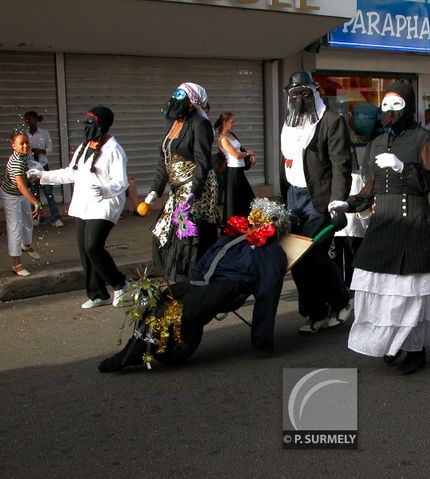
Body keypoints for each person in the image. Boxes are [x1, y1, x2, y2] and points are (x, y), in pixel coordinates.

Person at [329, 82, 430, 375]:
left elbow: (429, 182)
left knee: (410, 293)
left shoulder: (424, 138)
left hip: (411, 219)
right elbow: (369, 189)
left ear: (408, 105)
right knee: (380, 289)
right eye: (386, 105)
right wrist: (347, 204)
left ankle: (415, 351)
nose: (390, 111)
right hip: (383, 222)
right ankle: (391, 342)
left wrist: (401, 168)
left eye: (397, 105)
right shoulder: (376, 143)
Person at [97, 198, 290, 373]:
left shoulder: (271, 253)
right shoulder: (234, 237)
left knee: (184, 309)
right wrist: (193, 280)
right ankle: (134, 346)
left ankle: (133, 355)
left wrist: (262, 340)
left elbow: (268, 292)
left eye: (259, 220)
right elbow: (208, 257)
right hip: (203, 280)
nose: (253, 223)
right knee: (162, 298)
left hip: (229, 286)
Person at [28, 107, 130, 308]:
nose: (86, 127)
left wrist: (104, 189)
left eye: (91, 123)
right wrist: (42, 175)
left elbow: (121, 182)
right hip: (84, 204)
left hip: (104, 204)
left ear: (101, 125)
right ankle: (98, 294)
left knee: (93, 246)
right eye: (86, 123)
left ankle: (121, 284)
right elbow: (70, 173)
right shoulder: (85, 147)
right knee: (85, 250)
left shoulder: (114, 149)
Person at [279, 71, 353, 334]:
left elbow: (341, 164)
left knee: (312, 254)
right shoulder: (289, 123)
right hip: (293, 197)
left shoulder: (332, 121)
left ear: (315, 92)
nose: (299, 99)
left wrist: (338, 202)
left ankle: (342, 300)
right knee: (294, 258)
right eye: (294, 94)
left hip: (319, 198)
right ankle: (316, 311)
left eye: (305, 93)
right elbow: (286, 163)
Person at [141, 82, 219, 280]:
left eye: (181, 95)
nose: (175, 99)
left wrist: (194, 192)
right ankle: (180, 282)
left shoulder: (201, 125)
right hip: (176, 188)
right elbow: (164, 160)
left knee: (185, 236)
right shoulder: (172, 125)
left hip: (196, 187)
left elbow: (203, 162)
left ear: (192, 101)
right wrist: (153, 192)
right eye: (175, 94)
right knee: (162, 232)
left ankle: (191, 281)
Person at [1, 131, 43, 276]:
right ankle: (16, 264)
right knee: (15, 228)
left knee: (28, 219)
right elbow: (21, 186)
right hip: (11, 195)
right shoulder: (16, 163)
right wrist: (36, 202)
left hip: (21, 193)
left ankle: (27, 245)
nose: (25, 146)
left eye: (26, 142)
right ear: (14, 146)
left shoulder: (25, 155)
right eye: (21, 144)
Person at [331, 149, 368, 292]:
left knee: (339, 259)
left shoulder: (335, 176)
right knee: (348, 259)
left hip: (342, 224)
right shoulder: (360, 177)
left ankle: (342, 289)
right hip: (351, 226)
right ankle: (348, 288)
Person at [23, 111, 64, 227]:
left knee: (48, 192)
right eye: (26, 120)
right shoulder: (26, 135)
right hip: (31, 166)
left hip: (43, 165)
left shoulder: (44, 133)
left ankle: (56, 218)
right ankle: (37, 217)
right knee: (34, 193)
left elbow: (50, 148)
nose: (28, 122)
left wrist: (40, 151)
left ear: (36, 120)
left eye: (30, 119)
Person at [215, 112, 256, 220]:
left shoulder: (232, 135)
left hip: (239, 170)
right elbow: (236, 155)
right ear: (225, 122)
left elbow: (240, 149)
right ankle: (232, 226)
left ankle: (248, 222)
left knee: (247, 198)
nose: (234, 124)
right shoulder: (223, 139)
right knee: (233, 200)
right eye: (232, 121)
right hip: (232, 172)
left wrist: (250, 155)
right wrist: (248, 153)